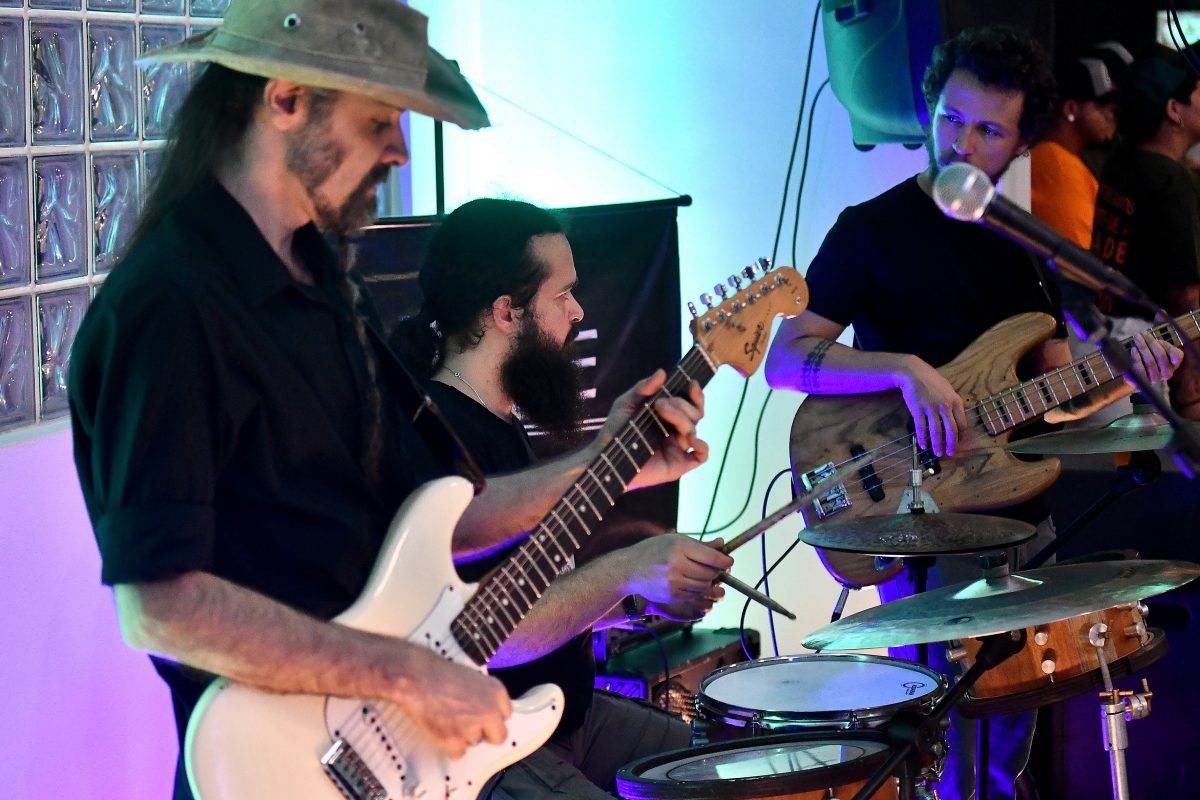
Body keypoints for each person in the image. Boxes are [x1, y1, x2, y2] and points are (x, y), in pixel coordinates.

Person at [67, 3, 710, 798]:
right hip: (283, 767)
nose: (400, 149)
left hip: (398, 753)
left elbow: (434, 518)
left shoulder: (330, 288)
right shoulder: (170, 305)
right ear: (286, 99)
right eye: (379, 122)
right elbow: (160, 606)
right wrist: (406, 672)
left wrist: (607, 462)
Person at [764, 26, 1181, 800]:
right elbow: (785, 359)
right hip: (919, 513)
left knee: (1006, 754)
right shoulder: (870, 229)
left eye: (988, 130)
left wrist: (1129, 370)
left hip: (1020, 514)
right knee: (944, 752)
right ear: (930, 107)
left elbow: (1052, 374)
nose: (961, 142)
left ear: (1020, 142)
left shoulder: (1024, 239)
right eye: (951, 118)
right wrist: (905, 371)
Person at [389, 197, 734, 799]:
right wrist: (629, 568)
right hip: (490, 745)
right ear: (506, 311)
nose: (578, 312)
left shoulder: (499, 421)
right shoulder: (438, 434)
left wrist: (640, 598)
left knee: (733, 775)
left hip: (567, 716)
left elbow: (538, 597)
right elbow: (497, 634)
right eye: (564, 294)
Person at [1092, 48, 1200, 420]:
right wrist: (1191, 393)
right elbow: (1186, 299)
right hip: (1149, 352)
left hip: (1101, 336)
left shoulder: (1123, 160)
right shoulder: (1174, 182)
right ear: (1173, 110)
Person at [1030, 55, 1119, 248]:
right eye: (1101, 105)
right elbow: (1079, 257)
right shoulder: (1059, 166)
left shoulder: (1057, 157)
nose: (1111, 115)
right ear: (1071, 108)